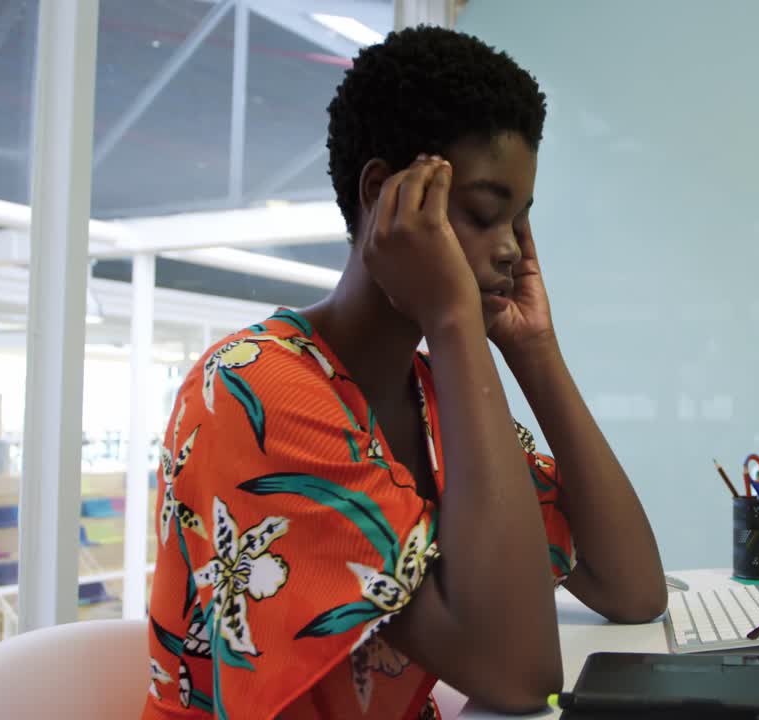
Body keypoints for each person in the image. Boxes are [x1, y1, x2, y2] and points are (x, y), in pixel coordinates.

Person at [143, 26, 667, 720]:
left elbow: (630, 587)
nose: (512, 247)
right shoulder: (253, 390)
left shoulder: (432, 394)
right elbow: (520, 675)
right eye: (484, 213)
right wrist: (454, 321)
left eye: (521, 220)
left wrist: (534, 350)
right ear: (385, 198)